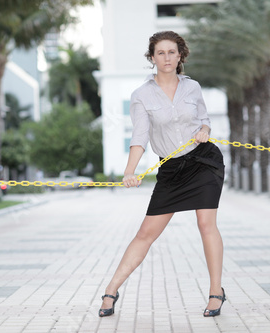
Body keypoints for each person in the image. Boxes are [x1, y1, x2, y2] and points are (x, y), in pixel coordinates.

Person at [99, 31, 226, 318]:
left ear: (180, 55)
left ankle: (216, 292)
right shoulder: (141, 95)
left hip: (204, 162)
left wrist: (204, 131)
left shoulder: (192, 88)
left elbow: (204, 122)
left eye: (172, 52)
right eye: (160, 53)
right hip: (171, 170)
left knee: (206, 224)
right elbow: (140, 136)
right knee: (146, 233)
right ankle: (111, 290)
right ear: (152, 57)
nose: (166, 57)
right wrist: (130, 172)